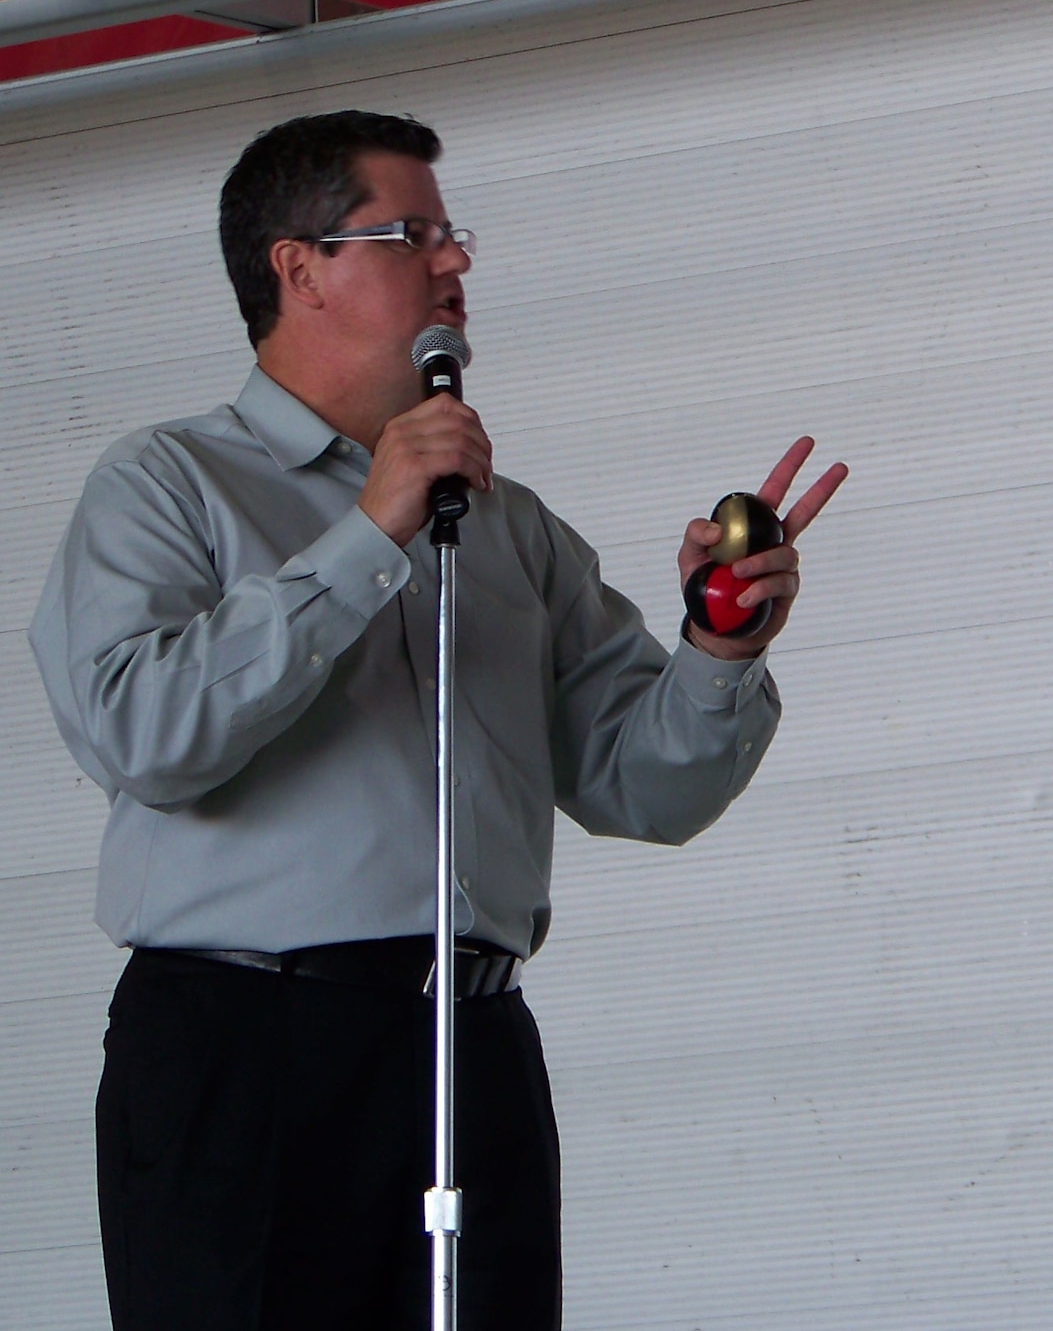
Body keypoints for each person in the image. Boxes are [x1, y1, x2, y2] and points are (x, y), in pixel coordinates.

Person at [30, 110, 846, 1330]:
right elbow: (144, 735)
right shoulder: (166, 485)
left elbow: (646, 787)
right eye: (412, 234)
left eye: (453, 234)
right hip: (247, 1051)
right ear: (297, 267)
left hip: (472, 1041)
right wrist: (369, 535)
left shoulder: (508, 526)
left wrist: (717, 645)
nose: (456, 263)